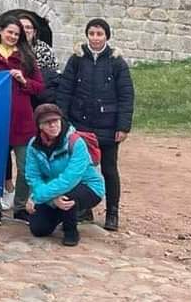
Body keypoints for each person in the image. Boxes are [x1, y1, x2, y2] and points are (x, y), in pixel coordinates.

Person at [56, 18, 134, 232]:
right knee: (81, 169)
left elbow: (126, 95)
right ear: (87, 35)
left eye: (100, 34)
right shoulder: (77, 60)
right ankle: (83, 208)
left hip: (108, 125)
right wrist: (63, 121)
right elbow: (65, 91)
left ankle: (112, 212)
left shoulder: (117, 62)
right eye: (92, 33)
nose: (95, 38)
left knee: (109, 170)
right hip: (80, 124)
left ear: (106, 36)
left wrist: (123, 126)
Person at [0, 14, 44, 225]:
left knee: (26, 166)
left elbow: (39, 86)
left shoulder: (27, 57)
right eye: (9, 32)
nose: (13, 36)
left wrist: (23, 80)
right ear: (0, 31)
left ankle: (19, 206)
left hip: (22, 120)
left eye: (17, 34)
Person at [25, 104, 105, 246]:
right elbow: (33, 177)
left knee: (67, 197)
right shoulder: (33, 145)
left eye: (56, 120)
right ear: (39, 126)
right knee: (38, 229)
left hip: (88, 186)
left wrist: (38, 197)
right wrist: (49, 199)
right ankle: (60, 214)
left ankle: (71, 231)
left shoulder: (76, 142)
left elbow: (70, 179)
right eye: (47, 122)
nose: (53, 125)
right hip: (52, 190)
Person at [18, 13, 59, 106]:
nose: (25, 30)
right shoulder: (10, 48)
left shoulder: (44, 49)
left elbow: (53, 76)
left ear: (34, 32)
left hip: (40, 98)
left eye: (28, 27)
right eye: (22, 27)